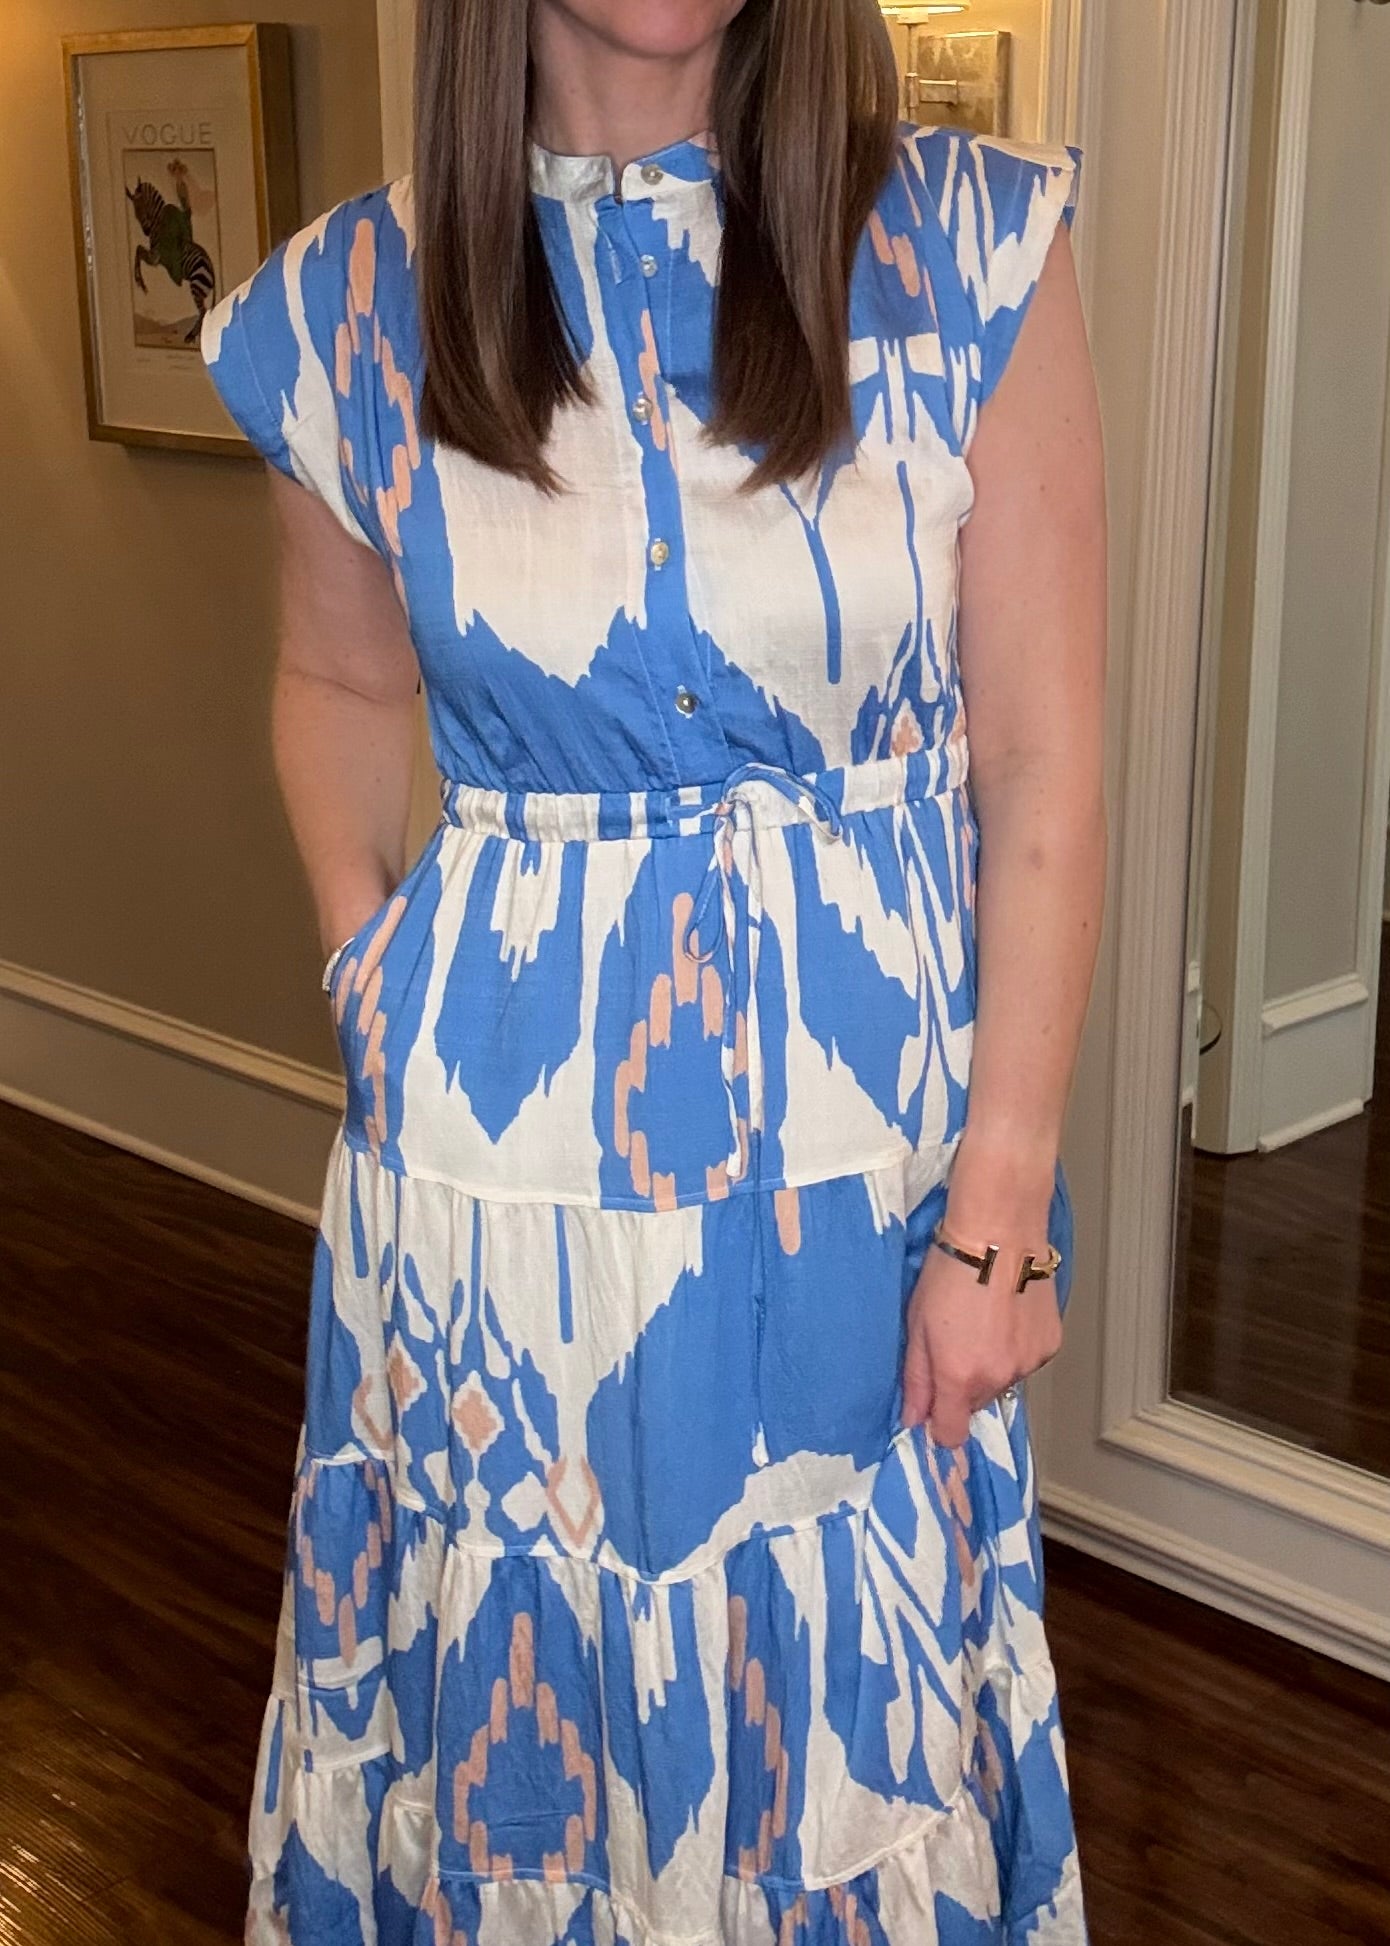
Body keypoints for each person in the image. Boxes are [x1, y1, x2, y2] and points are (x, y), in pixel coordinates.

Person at [199, 0, 1106, 1939]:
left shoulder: (964, 251)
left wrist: (1002, 1204)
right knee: (524, 1762)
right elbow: (336, 680)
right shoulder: (345, 310)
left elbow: (1041, 756)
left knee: (843, 1768)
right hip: (490, 1216)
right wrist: (373, 978)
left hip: (852, 1212)